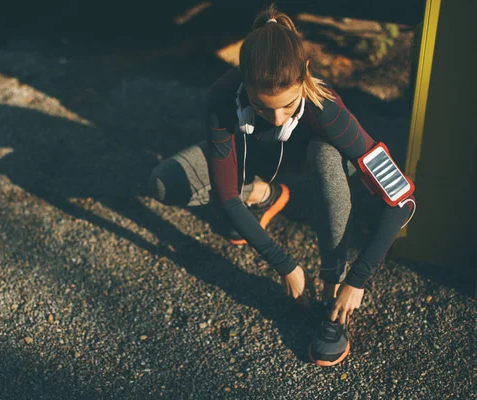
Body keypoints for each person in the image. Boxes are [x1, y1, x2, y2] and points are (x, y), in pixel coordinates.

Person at [147, 4, 416, 367]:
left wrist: (358, 279)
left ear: (304, 76)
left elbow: (402, 201)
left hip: (310, 161)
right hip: (250, 167)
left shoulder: (328, 107)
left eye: (288, 106)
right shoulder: (221, 97)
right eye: (262, 107)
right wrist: (285, 264)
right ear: (244, 80)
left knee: (326, 155)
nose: (276, 119)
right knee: (163, 183)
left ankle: (329, 297)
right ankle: (264, 194)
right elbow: (226, 195)